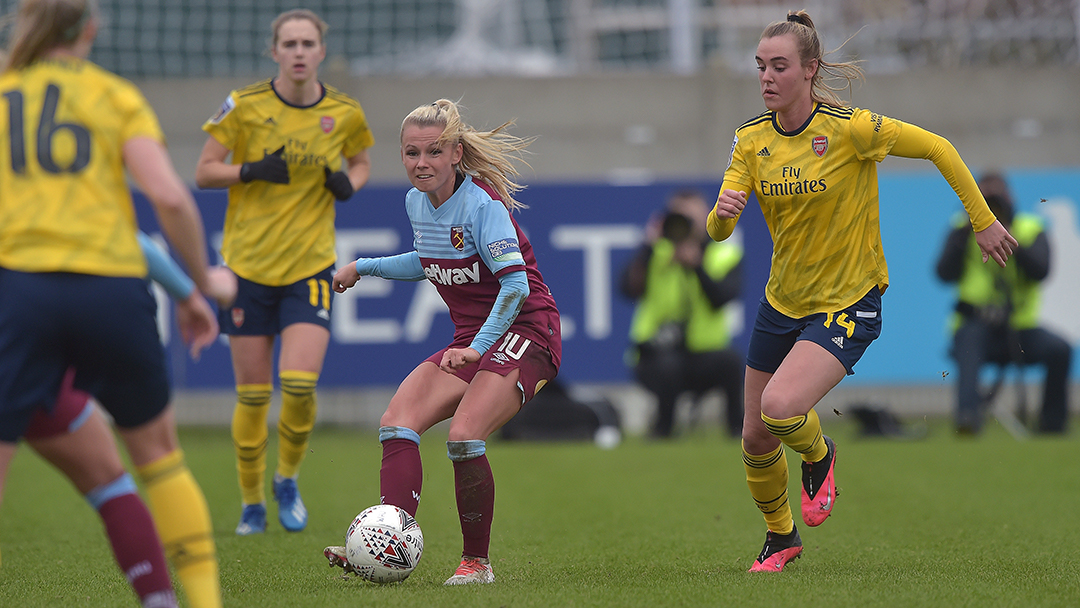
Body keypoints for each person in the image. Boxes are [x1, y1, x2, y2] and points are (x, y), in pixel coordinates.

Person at [706, 10, 1017, 572]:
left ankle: (820, 453)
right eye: (760, 67)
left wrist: (983, 219)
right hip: (782, 302)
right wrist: (720, 216)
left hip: (849, 301)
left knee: (780, 409)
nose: (767, 78)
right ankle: (781, 539)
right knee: (753, 435)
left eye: (779, 66)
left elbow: (939, 147)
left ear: (809, 70)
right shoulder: (751, 140)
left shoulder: (851, 129)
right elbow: (718, 226)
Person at [0, 1, 232, 606]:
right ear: (92, 29)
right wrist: (201, 282)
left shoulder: (5, 91)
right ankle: (200, 602)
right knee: (158, 457)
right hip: (110, 288)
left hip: (19, 290)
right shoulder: (114, 95)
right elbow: (169, 199)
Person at [324, 99, 561, 585]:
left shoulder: (483, 206)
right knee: (397, 422)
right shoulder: (417, 202)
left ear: (456, 153)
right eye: (411, 153)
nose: (421, 163)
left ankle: (477, 564)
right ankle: (385, 543)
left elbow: (516, 289)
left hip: (527, 331)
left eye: (433, 151)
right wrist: (363, 267)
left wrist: (478, 349)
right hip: (474, 339)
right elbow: (427, 260)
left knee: (463, 436)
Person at [194, 8, 375, 535]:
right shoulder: (244, 106)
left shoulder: (343, 112)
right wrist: (248, 170)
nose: (298, 52)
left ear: (321, 51)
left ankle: (287, 479)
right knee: (252, 395)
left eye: (307, 43)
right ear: (273, 52)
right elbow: (204, 171)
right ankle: (252, 502)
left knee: (298, 385)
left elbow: (361, 162)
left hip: (310, 267)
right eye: (289, 43)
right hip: (248, 269)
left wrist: (350, 183)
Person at [19, 236, 235, 608]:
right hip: (107, 297)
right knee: (143, 468)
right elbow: (167, 202)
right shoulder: (83, 196)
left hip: (19, 323)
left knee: (112, 482)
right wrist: (195, 289)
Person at [936, 172, 1071, 435]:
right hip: (975, 324)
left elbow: (1041, 271)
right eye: (984, 200)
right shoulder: (961, 227)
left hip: (1020, 328)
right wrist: (968, 228)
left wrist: (1008, 238)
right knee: (969, 344)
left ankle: (1052, 425)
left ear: (1011, 198)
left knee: (1060, 350)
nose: (991, 206)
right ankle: (967, 419)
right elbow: (943, 273)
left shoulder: (1030, 228)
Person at [620, 189, 745, 438]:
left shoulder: (724, 254)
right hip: (654, 352)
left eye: (692, 218)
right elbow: (627, 289)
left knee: (732, 363)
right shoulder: (656, 253)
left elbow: (723, 298)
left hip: (703, 352)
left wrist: (697, 266)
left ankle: (738, 432)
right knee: (669, 367)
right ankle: (663, 431)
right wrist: (647, 246)